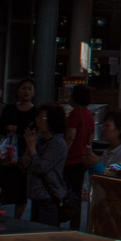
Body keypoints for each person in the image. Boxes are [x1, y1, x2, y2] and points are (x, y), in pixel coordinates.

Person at [0, 77, 38, 210]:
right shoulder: (10, 109)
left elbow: (31, 133)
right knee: (1, 185)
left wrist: (13, 128)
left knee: (21, 189)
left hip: (23, 151)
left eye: (29, 89)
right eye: (23, 88)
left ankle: (18, 217)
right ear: (18, 91)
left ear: (34, 92)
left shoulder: (35, 112)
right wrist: (16, 130)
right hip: (7, 151)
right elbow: (1, 127)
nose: (26, 92)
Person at [22, 102, 68, 225]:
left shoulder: (57, 143)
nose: (38, 121)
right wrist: (29, 146)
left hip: (49, 198)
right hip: (36, 197)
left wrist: (32, 148)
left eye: (42, 118)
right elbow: (25, 164)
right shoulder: (40, 140)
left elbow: (40, 167)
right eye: (38, 117)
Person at [63, 84, 95, 226]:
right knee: (77, 191)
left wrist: (63, 152)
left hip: (72, 158)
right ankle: (75, 223)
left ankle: (65, 216)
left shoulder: (75, 113)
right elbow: (90, 138)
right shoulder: (89, 114)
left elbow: (71, 135)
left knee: (68, 191)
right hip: (82, 158)